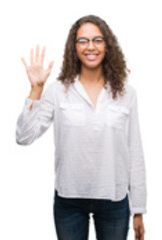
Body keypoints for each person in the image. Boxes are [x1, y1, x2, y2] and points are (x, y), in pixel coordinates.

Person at [16, 15, 145, 240]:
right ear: (73, 48)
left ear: (107, 45)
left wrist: (139, 209)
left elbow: (135, 152)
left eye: (97, 40)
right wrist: (36, 89)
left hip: (114, 198)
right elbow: (24, 137)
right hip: (69, 199)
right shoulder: (58, 91)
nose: (90, 47)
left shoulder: (126, 93)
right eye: (83, 41)